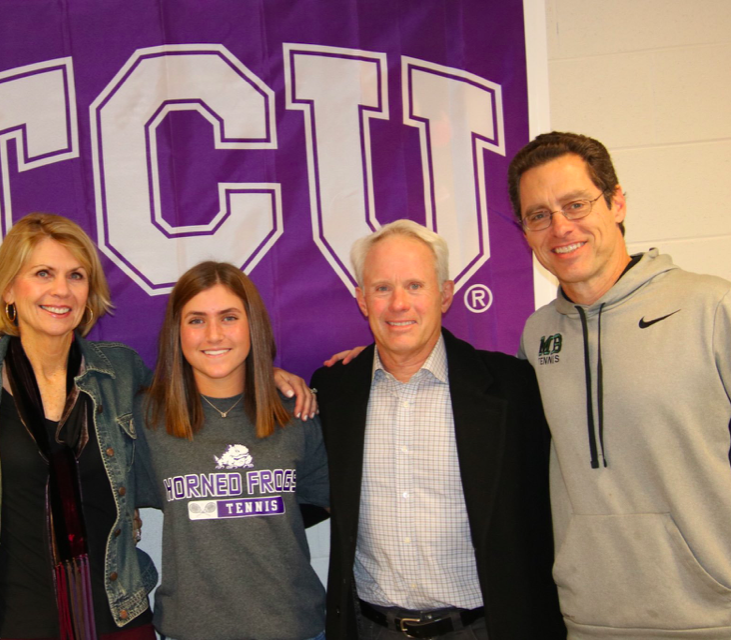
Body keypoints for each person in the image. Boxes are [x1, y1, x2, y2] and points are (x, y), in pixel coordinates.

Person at [0, 213, 317, 640]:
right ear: (9, 289)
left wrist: (266, 376)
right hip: (14, 622)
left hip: (120, 616)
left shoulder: (120, 372)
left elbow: (198, 387)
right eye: (43, 273)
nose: (61, 290)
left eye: (76, 275)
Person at [508, 131, 731, 639]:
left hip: (713, 616)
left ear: (616, 203)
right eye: (538, 215)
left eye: (576, 204)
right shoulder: (537, 335)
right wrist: (378, 359)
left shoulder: (711, 307)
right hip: (588, 619)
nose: (560, 227)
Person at [312, 220, 565, 640]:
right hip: (371, 628)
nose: (399, 304)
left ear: (445, 295)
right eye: (382, 288)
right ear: (362, 300)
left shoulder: (513, 388)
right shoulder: (334, 390)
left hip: (485, 628)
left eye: (415, 286)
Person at [138, 261, 329, 640]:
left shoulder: (296, 412)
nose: (213, 335)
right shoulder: (147, 419)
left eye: (229, 318)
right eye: (196, 320)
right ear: (176, 331)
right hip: (190, 631)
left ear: (252, 325)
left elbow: (330, 506)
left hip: (294, 629)